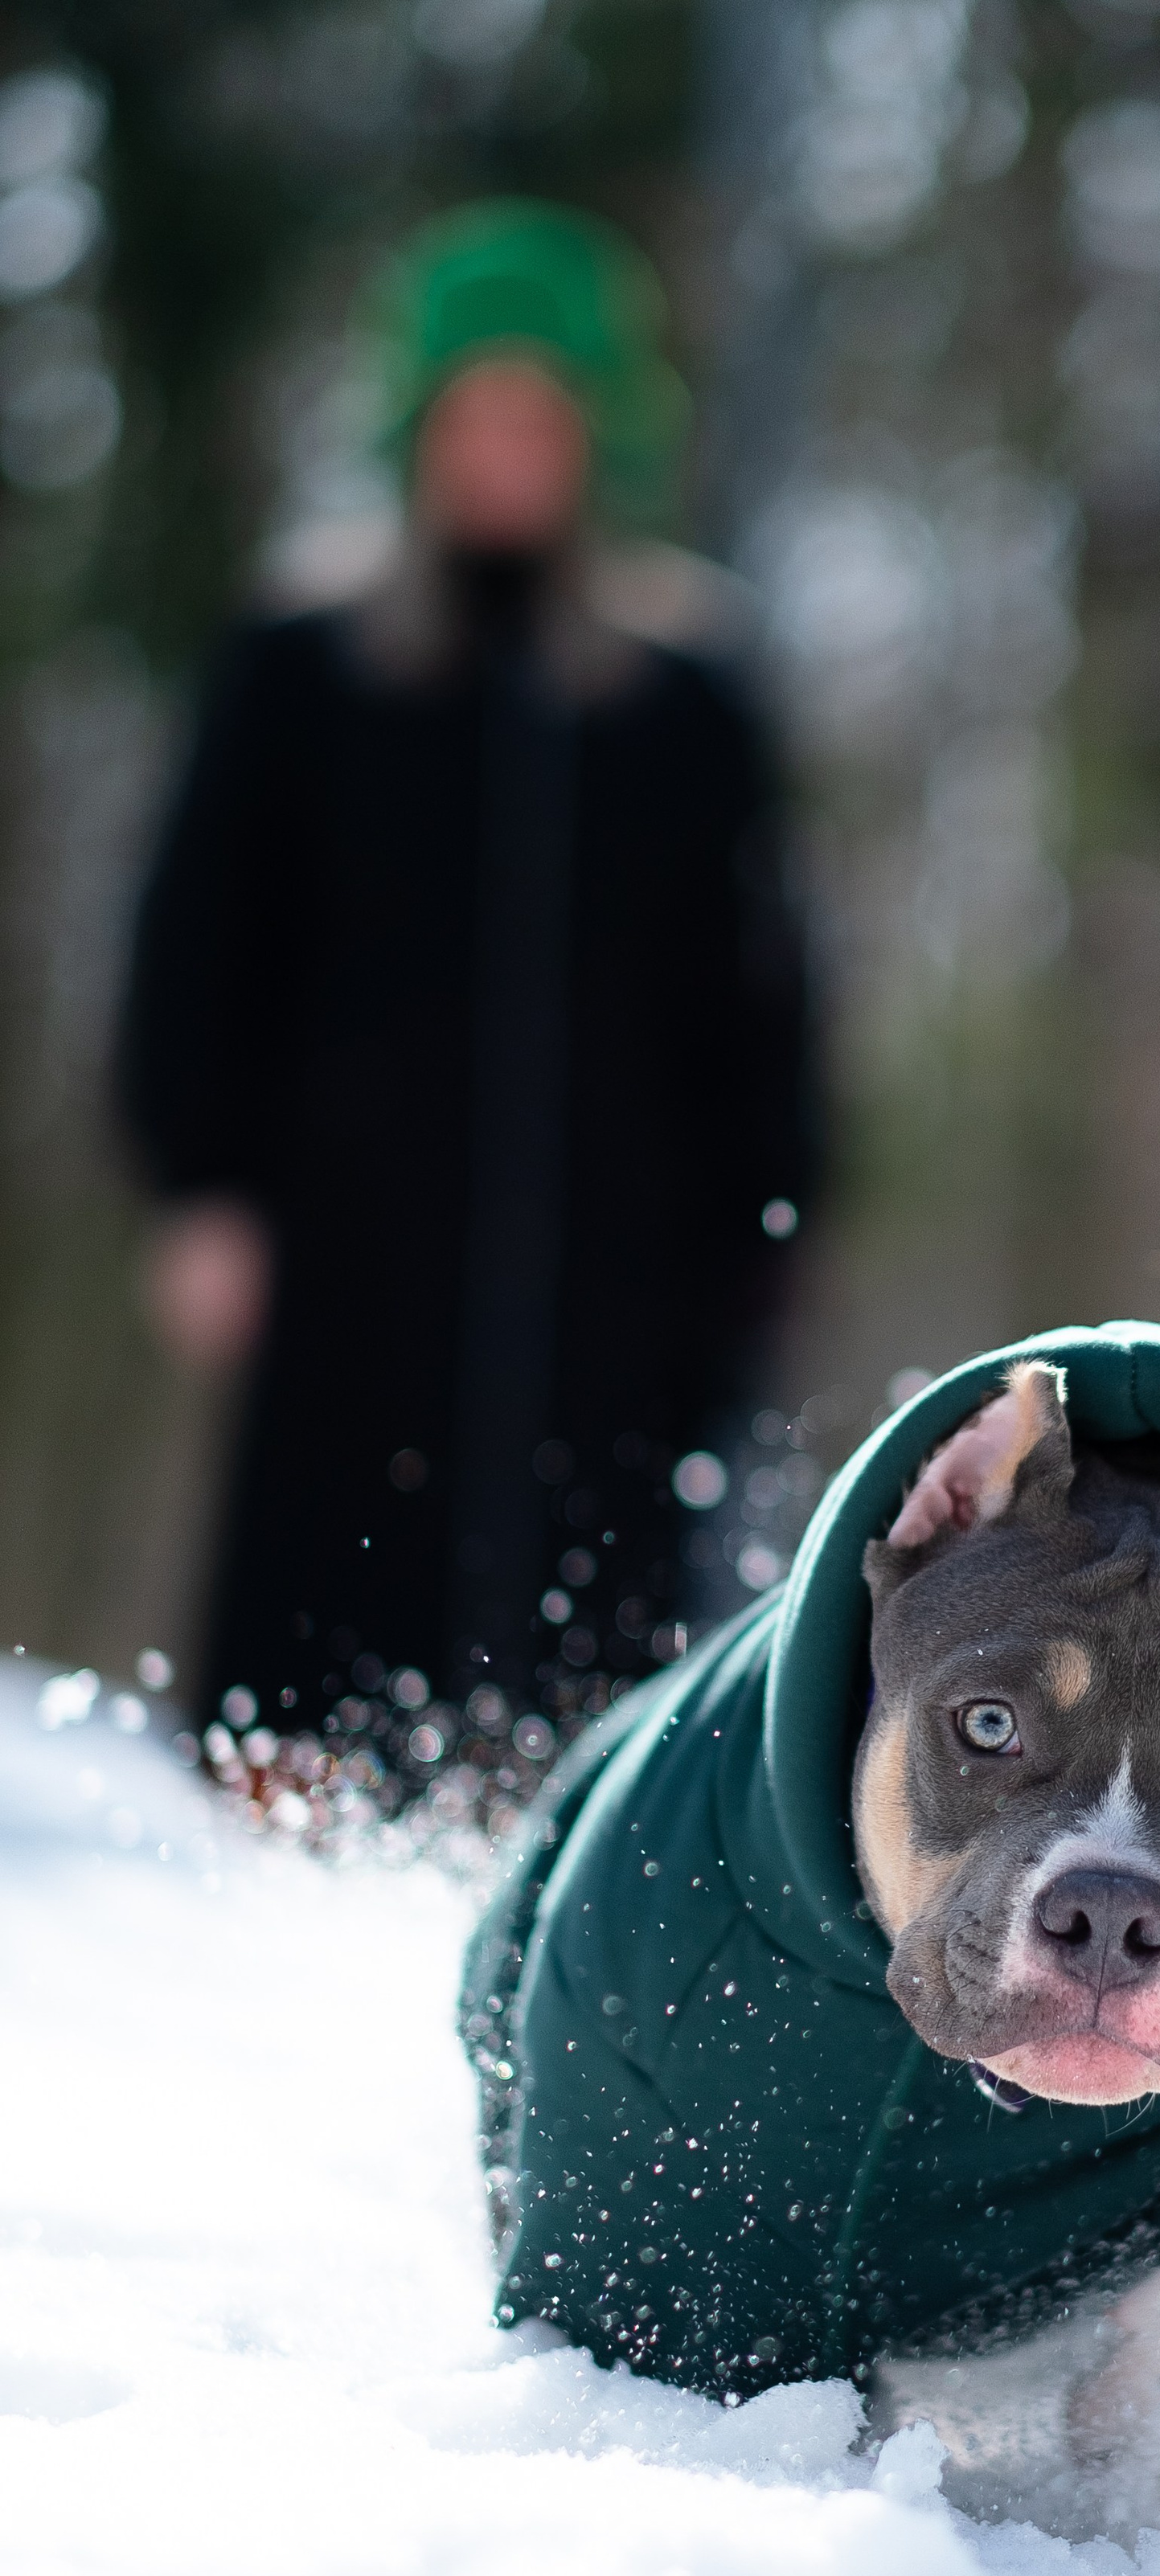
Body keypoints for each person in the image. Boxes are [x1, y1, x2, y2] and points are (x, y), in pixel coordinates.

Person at [117, 200, 819, 1734]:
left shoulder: (684, 692)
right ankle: (276, 1843)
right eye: (474, 413)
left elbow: (761, 996)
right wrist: (201, 1184)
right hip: (344, 1253)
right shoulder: (301, 666)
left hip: (621, 1279)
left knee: (599, 1627)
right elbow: (195, 942)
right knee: (319, 1615)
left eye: (539, 416)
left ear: (597, 439)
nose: (504, 450)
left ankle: (559, 1860)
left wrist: (770, 1225)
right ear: (418, 430)